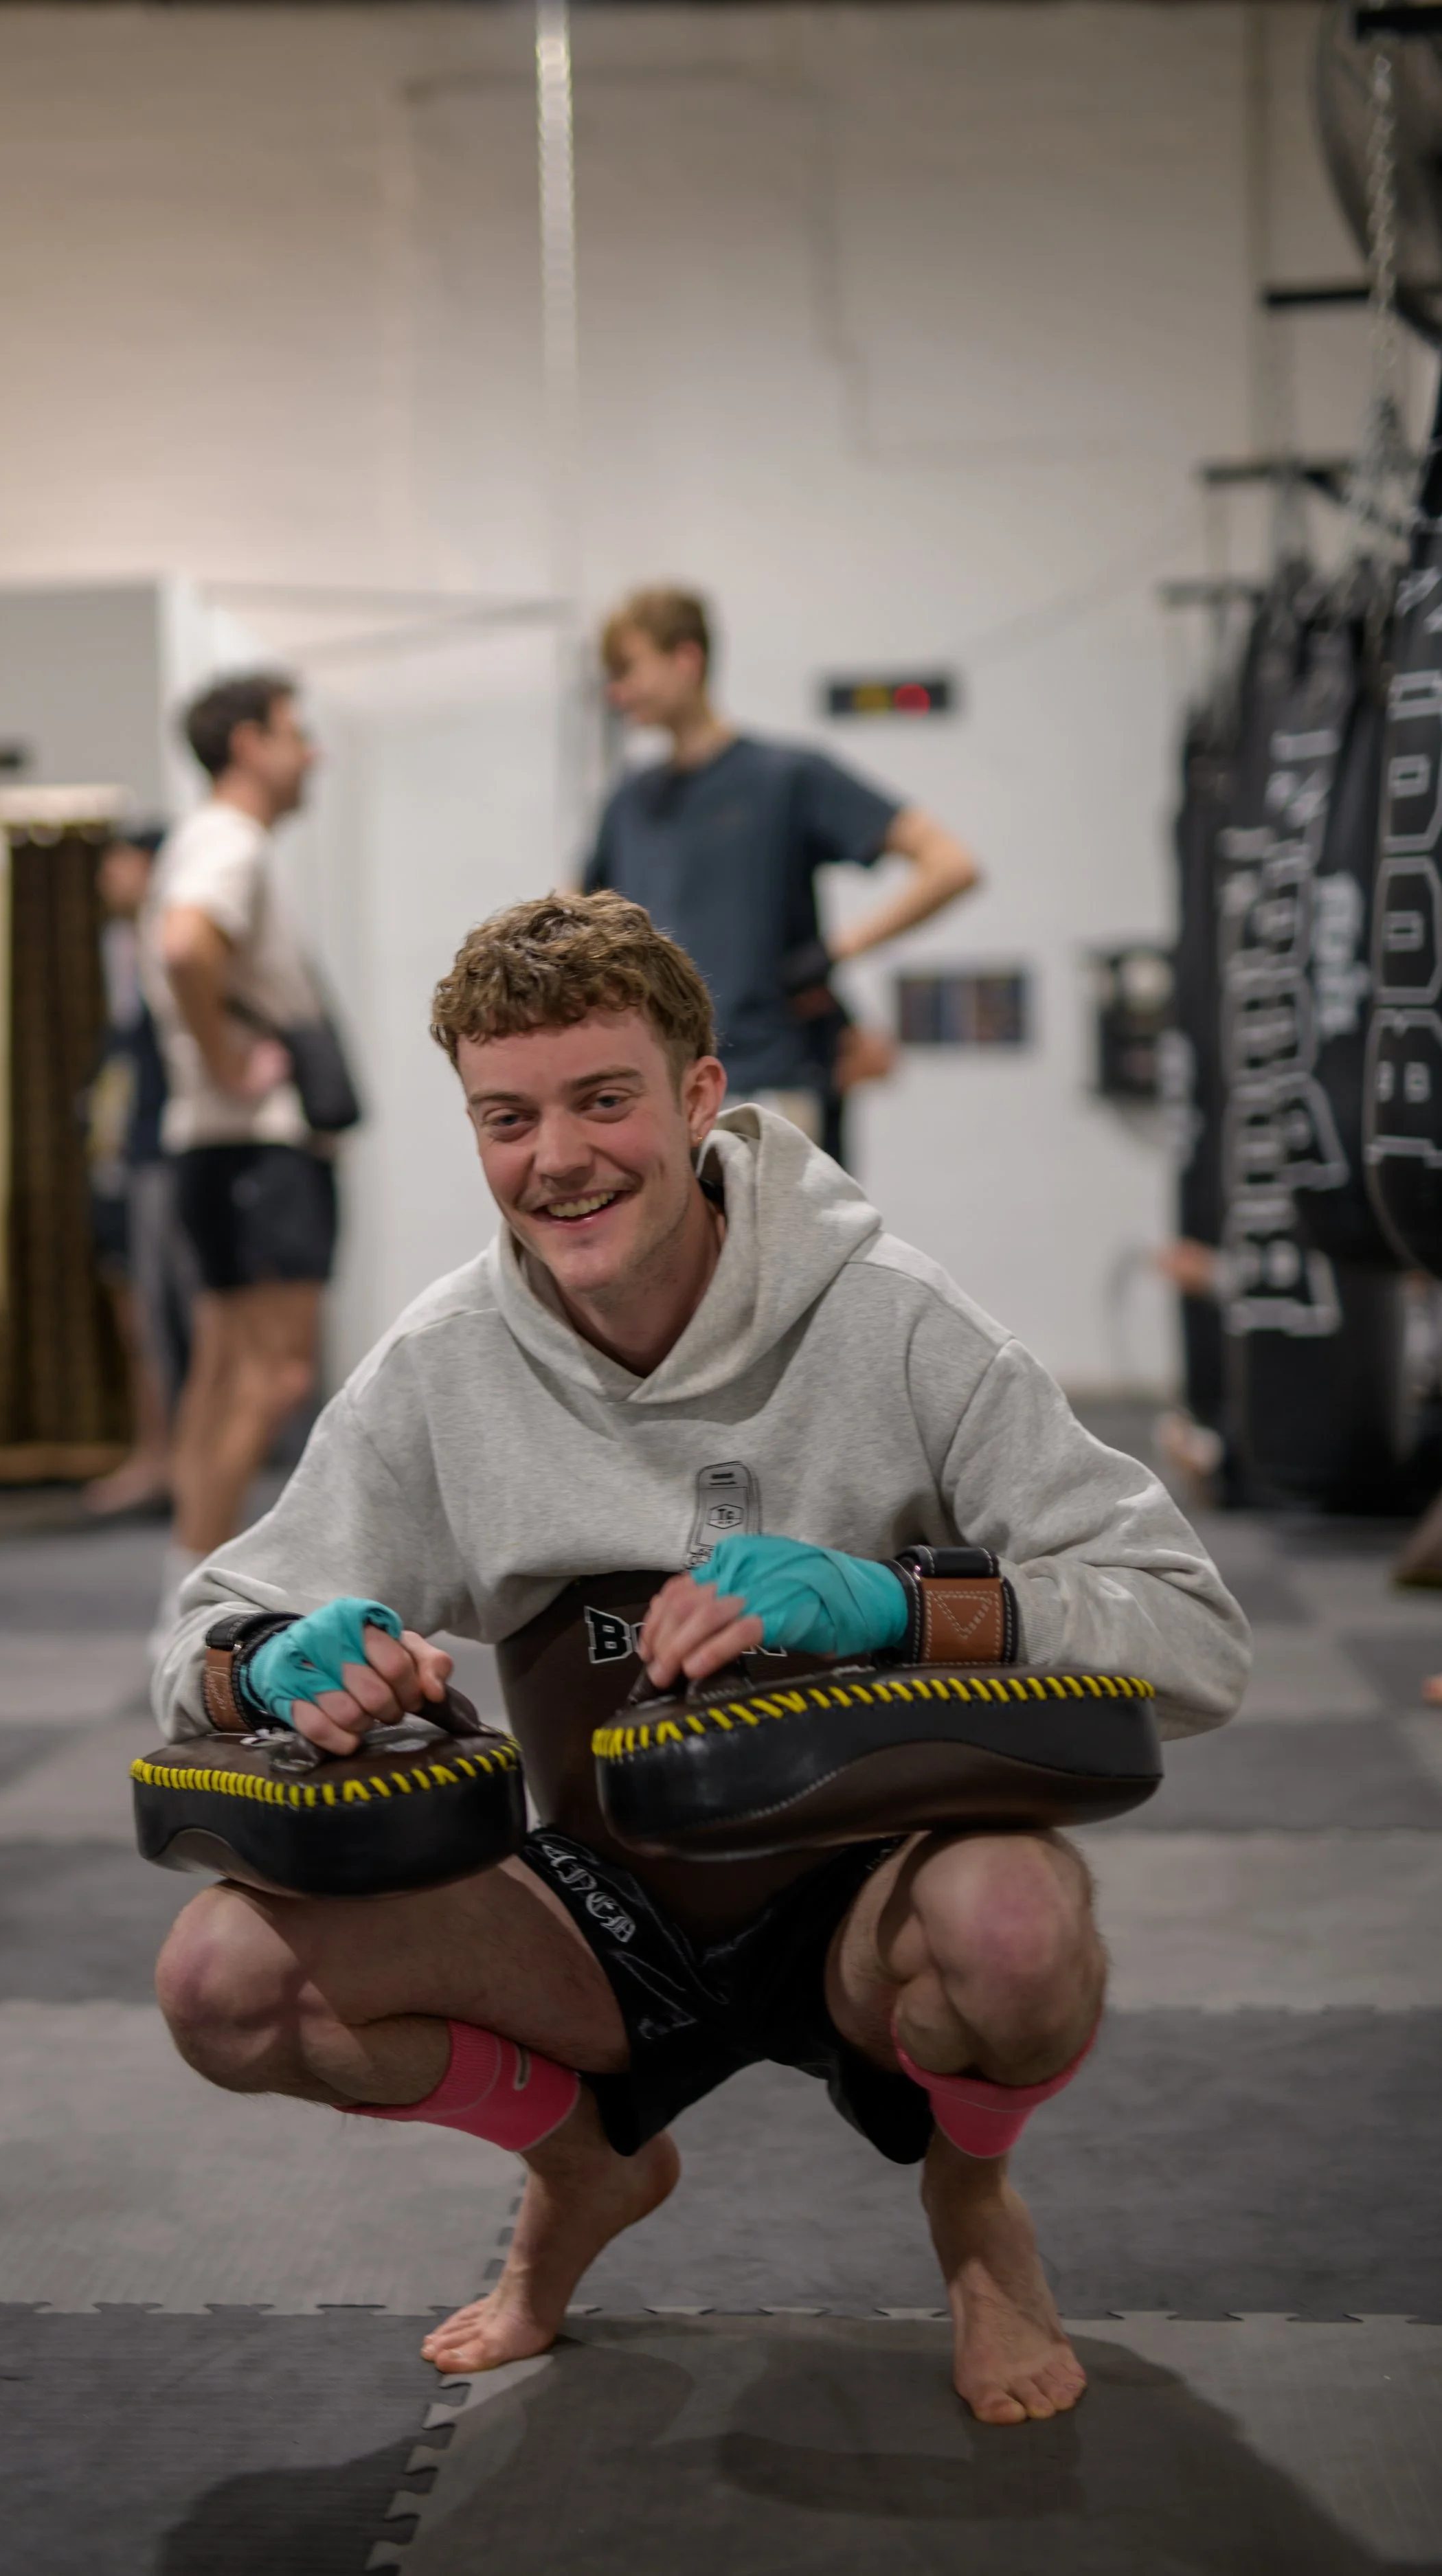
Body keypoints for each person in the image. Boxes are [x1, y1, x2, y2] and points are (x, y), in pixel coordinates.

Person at [150, 891, 1249, 2428]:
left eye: (603, 1101)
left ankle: (972, 2203)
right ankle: (584, 2164)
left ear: (697, 1096)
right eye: (506, 1118)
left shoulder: (896, 1324)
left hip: (871, 1893)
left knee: (1011, 1931)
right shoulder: (440, 1367)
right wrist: (265, 1665)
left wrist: (896, 1602)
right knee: (225, 1982)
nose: (557, 1160)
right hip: (596, 1902)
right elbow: (206, 1626)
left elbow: (1193, 1633)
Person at [584, 585, 978, 1147]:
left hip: (772, 1085)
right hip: (662, 1094)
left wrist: (836, 953)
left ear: (686, 659)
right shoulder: (629, 803)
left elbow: (950, 865)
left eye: (629, 669)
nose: (618, 692)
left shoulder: (786, 777)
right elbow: (573, 926)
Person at [144, 673, 340, 1640]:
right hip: (259, 1145)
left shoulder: (208, 839)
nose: (314, 753)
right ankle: (199, 1602)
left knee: (225, 1369)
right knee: (270, 1373)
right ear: (251, 744)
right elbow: (187, 947)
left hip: (219, 1149)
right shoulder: (229, 839)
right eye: (298, 734)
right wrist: (227, 1057)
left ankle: (185, 1589)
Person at [82, 824, 199, 1518]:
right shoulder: (122, 946)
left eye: (119, 863)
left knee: (179, 1315)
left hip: (168, 1148)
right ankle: (158, 1454)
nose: (106, 878)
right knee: (145, 1313)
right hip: (130, 1152)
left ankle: (183, 1461)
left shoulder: (174, 937)